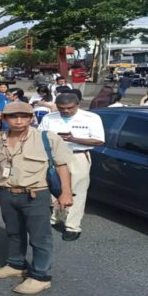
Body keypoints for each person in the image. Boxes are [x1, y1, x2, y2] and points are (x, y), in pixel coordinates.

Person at [0, 102, 74, 295]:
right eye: (13, 116)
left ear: (31, 118)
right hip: (7, 193)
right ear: (5, 119)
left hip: (36, 194)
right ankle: (16, 265)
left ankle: (41, 276)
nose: (18, 120)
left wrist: (65, 192)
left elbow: (62, 166)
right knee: (13, 232)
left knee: (40, 237)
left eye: (24, 116)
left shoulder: (46, 138)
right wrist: (1, 185)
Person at [39, 93, 105, 241]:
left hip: (78, 155)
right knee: (54, 188)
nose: (66, 111)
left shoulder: (91, 118)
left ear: (77, 105)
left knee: (77, 191)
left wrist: (73, 139)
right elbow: (39, 136)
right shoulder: (49, 118)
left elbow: (99, 141)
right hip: (53, 156)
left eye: (70, 108)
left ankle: (72, 226)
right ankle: (56, 217)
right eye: (62, 108)